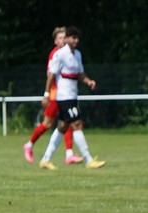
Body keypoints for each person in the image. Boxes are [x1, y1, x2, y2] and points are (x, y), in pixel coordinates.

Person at [38, 26, 105, 170]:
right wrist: (46, 95)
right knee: (77, 124)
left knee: (62, 127)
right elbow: (51, 75)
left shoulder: (77, 54)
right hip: (64, 97)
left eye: (77, 38)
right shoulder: (60, 54)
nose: (75, 40)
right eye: (73, 37)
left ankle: (45, 159)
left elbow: (80, 73)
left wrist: (88, 81)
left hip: (72, 96)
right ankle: (88, 159)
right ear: (67, 38)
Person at [22, 27, 83, 166]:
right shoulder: (56, 54)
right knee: (48, 124)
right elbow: (50, 74)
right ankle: (29, 145)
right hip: (56, 94)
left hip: (63, 94)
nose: (63, 40)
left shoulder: (70, 53)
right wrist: (47, 94)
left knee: (67, 120)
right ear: (55, 41)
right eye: (60, 38)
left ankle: (69, 154)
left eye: (64, 37)